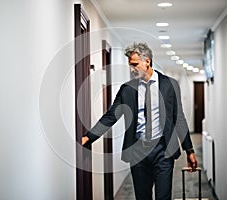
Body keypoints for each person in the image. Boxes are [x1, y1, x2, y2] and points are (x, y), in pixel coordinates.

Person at [82, 42, 197, 200]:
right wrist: (89, 136)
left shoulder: (170, 85)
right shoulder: (127, 89)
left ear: (147, 61)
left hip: (163, 150)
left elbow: (179, 118)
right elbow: (111, 116)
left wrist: (189, 150)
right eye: (130, 65)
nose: (131, 69)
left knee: (163, 197)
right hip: (138, 152)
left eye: (134, 64)